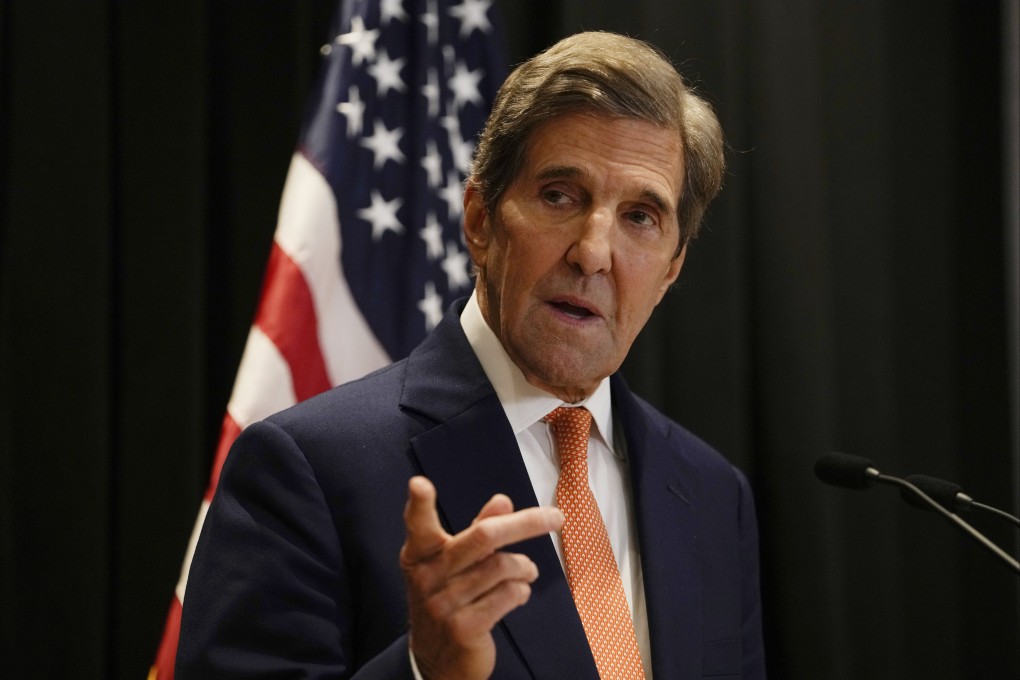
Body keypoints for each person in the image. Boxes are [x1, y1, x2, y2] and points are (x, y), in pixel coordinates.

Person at [177, 31, 765, 679]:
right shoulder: (308, 468)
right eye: (559, 196)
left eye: (640, 216)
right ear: (481, 221)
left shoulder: (712, 496)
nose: (593, 252)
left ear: (672, 269)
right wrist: (424, 669)